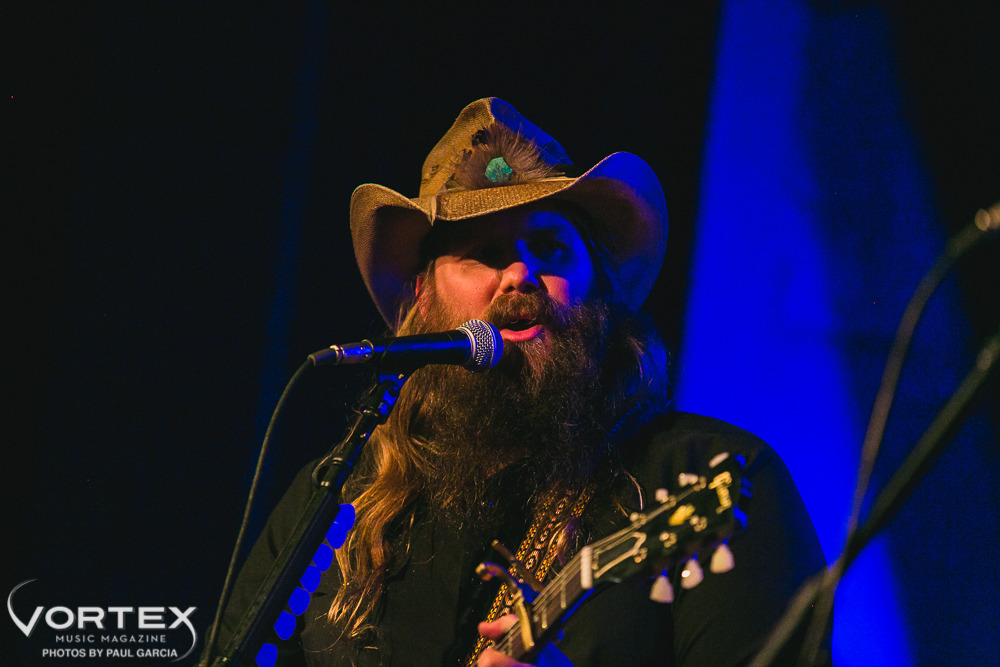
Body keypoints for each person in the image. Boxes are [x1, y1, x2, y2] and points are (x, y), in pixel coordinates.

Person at [215, 98, 828, 666]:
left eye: (551, 250)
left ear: (603, 294)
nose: (518, 274)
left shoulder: (717, 475)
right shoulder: (341, 495)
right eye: (481, 253)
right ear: (423, 300)